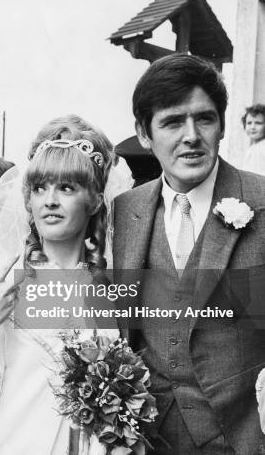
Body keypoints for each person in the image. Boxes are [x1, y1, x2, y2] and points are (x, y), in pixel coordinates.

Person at [113, 53, 265, 453]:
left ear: (222, 125)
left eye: (205, 118)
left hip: (243, 436)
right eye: (172, 121)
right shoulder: (125, 210)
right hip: (150, 435)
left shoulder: (262, 202)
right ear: (144, 133)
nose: (191, 136)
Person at [0, 115, 117, 454]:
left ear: (96, 200)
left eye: (67, 188)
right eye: (40, 188)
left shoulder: (110, 283)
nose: (50, 201)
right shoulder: (3, 278)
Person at [241, 103, 265, 176]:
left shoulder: (262, 147)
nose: (252, 127)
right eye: (249, 123)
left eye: (258, 123)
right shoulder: (253, 147)